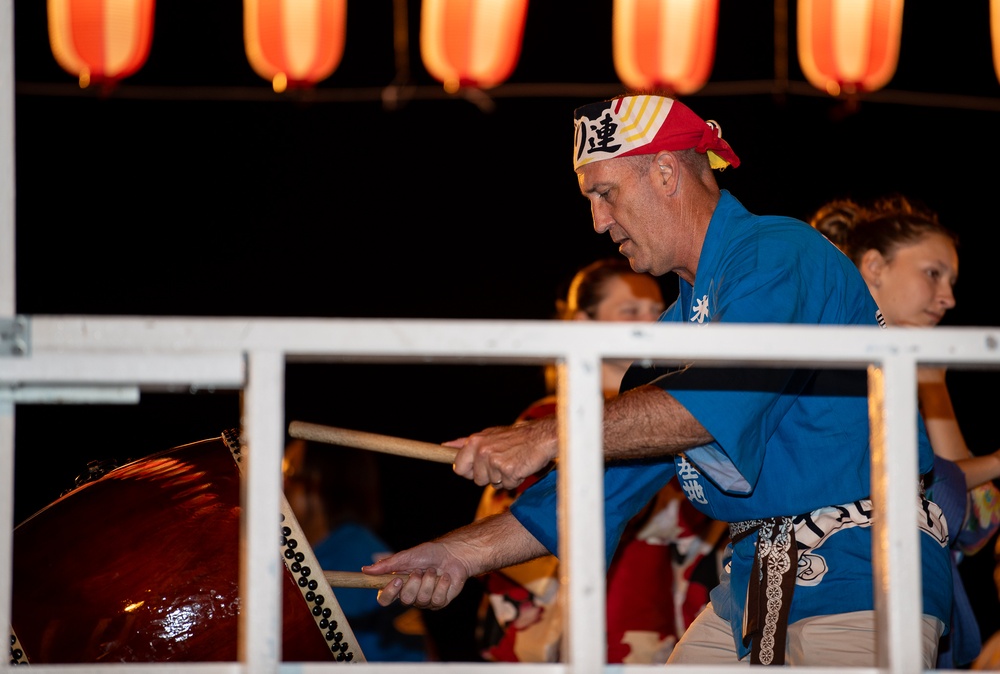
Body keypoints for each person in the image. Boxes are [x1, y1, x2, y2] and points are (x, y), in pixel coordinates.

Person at [362, 94, 953, 666]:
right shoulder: (675, 329)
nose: (597, 221)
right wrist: (455, 555)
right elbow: (594, 493)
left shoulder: (778, 252)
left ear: (667, 172)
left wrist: (545, 436)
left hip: (862, 570)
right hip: (754, 581)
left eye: (605, 193)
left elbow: (708, 405)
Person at [473, 256, 727, 664]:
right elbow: (533, 531)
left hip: (671, 634)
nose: (648, 324)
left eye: (655, 312)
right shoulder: (543, 424)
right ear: (582, 325)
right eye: (630, 312)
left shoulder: (690, 415)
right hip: (586, 636)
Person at [810, 195, 1000, 667]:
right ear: (873, 266)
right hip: (834, 591)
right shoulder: (823, 360)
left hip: (910, 595)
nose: (949, 298)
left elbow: (978, 522)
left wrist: (934, 386)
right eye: (933, 274)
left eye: (952, 281)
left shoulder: (911, 372)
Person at [282, 438, 433, 662]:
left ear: (316, 483)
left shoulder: (347, 556)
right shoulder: (358, 545)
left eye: (286, 473)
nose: (279, 487)